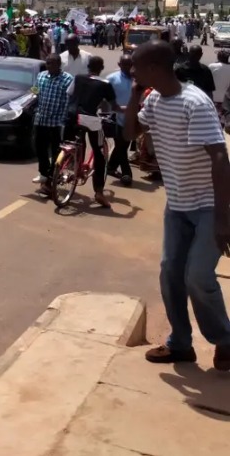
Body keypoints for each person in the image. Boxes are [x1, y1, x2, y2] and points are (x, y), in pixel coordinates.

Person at [125, 40, 230, 370]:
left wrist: (223, 219)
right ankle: (180, 344)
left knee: (197, 276)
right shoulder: (155, 99)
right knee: (170, 272)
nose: (132, 71)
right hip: (178, 204)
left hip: (210, 205)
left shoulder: (193, 102)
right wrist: (133, 94)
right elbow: (130, 132)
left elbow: (219, 156)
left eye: (137, 67)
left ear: (155, 69)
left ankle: (226, 341)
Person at [68, 55, 116, 209]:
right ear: (101, 68)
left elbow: (70, 94)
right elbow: (113, 106)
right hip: (90, 119)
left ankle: (74, 167)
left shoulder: (78, 78)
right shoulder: (105, 84)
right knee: (99, 153)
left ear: (88, 66)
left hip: (72, 116)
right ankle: (99, 193)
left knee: (77, 143)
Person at [32, 53, 74, 190]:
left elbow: (68, 102)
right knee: (40, 148)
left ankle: (51, 176)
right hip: (41, 119)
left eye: (51, 63)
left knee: (56, 151)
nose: (48, 66)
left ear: (58, 64)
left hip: (57, 122)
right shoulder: (41, 76)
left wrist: (63, 121)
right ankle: (43, 173)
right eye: (47, 63)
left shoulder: (67, 79)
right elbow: (35, 92)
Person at [106, 54, 136, 187]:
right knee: (121, 147)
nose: (128, 67)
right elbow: (104, 96)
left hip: (133, 118)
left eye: (130, 64)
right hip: (116, 117)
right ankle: (127, 174)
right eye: (125, 64)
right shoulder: (112, 78)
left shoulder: (138, 78)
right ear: (119, 65)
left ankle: (111, 167)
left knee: (124, 145)